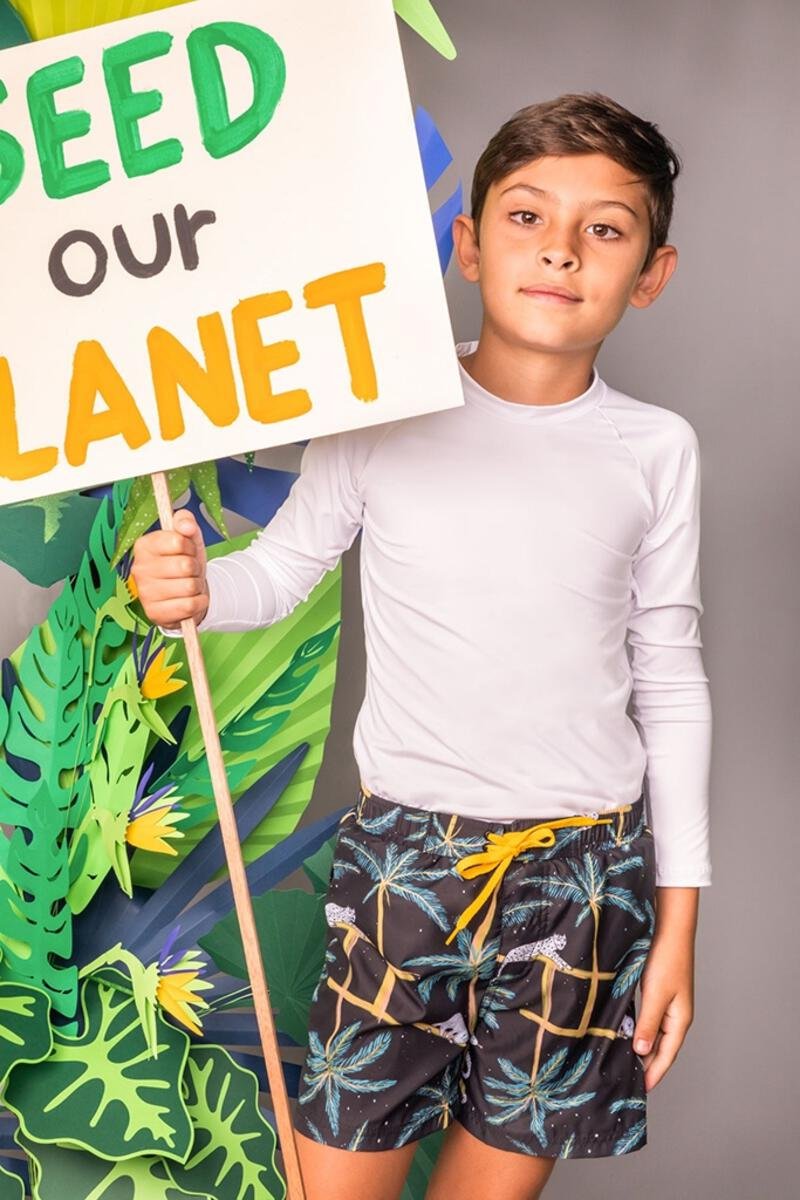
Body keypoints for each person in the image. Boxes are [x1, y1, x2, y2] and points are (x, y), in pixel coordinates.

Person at [132, 92, 712, 1200]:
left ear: (649, 272)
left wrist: (676, 920)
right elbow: (280, 574)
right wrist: (195, 584)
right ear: (466, 246)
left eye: (603, 228)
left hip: (585, 878)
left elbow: (669, 678)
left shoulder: (655, 450)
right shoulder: (383, 410)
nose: (558, 250)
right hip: (405, 864)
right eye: (525, 216)